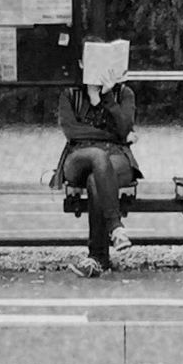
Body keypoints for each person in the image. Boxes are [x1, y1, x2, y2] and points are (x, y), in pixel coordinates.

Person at [51, 38, 143, 277]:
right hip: (78, 157)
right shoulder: (69, 95)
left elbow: (125, 126)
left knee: (96, 180)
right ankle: (115, 227)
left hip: (116, 158)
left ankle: (97, 259)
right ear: (82, 63)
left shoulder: (124, 93)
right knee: (97, 156)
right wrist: (114, 134)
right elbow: (72, 131)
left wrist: (106, 99)